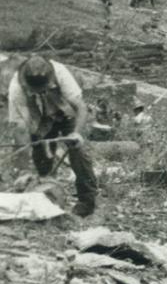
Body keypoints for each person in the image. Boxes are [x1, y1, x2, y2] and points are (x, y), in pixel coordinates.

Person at [8, 55, 100, 217]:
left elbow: (81, 107)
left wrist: (76, 133)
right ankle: (45, 196)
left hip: (66, 115)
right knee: (41, 158)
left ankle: (87, 201)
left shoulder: (60, 73)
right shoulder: (17, 87)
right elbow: (20, 128)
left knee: (79, 154)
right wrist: (23, 168)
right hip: (40, 119)